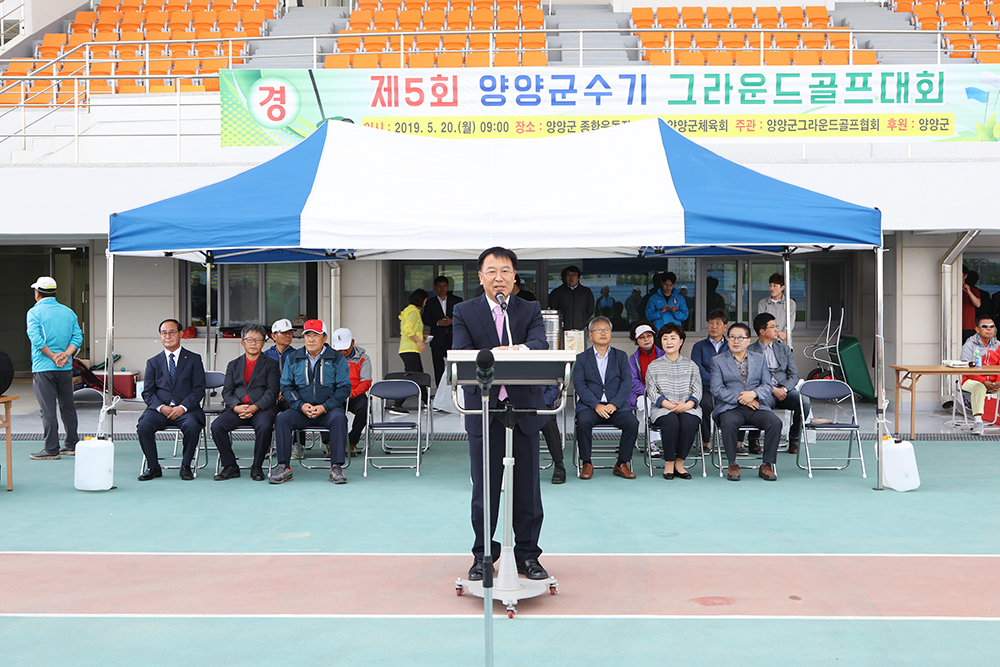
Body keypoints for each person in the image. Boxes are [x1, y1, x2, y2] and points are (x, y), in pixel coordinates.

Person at [452, 246, 550, 583]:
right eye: (492, 271)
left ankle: (528, 555)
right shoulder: (464, 311)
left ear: (514, 277)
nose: (499, 278)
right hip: (484, 409)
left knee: (527, 489)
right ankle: (483, 555)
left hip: (523, 410)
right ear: (481, 277)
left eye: (505, 271)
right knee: (485, 489)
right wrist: (493, 353)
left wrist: (517, 349)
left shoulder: (529, 309)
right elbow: (461, 352)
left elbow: (540, 344)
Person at [269, 320, 352, 485]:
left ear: (325, 338)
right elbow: (286, 386)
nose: (311, 339)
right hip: (302, 410)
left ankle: (336, 466)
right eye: (308, 335)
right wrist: (300, 405)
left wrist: (325, 407)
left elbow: (344, 388)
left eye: (316, 335)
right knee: (282, 418)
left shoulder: (336, 358)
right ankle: (283, 466)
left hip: (328, 410)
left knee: (339, 418)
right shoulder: (293, 358)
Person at [710, 322, 782, 482]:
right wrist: (742, 398)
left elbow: (767, 385)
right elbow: (716, 389)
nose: (736, 341)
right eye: (732, 337)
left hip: (756, 406)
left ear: (748, 340)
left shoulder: (760, 359)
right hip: (730, 407)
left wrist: (753, 394)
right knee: (729, 423)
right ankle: (732, 463)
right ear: (728, 339)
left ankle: (767, 464)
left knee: (775, 422)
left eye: (740, 337)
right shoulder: (717, 361)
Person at [137, 318, 206, 481]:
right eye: (164, 333)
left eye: (172, 332)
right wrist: (161, 407)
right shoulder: (153, 362)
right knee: (144, 426)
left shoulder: (194, 359)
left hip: (186, 410)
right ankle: (153, 467)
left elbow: (198, 389)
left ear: (181, 334)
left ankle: (186, 466)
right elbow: (148, 392)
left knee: (192, 426)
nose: (168, 336)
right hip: (160, 410)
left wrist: (182, 407)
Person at [210, 324, 280, 481]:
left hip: (261, 409)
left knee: (265, 426)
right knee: (217, 426)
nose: (253, 343)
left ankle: (257, 466)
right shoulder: (233, 364)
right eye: (249, 339)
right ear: (243, 342)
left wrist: (255, 407)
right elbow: (227, 391)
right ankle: (230, 466)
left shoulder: (271, 364)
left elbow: (272, 391)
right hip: (237, 408)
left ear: (263, 343)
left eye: (257, 340)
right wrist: (236, 407)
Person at [574, 316, 639, 480]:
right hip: (590, 406)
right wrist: (596, 404)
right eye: (598, 330)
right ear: (590, 334)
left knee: (632, 423)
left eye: (607, 330)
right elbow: (579, 385)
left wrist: (615, 404)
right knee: (583, 422)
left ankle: (621, 463)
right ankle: (587, 463)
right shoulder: (581, 358)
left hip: (615, 407)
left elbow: (627, 383)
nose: (603, 333)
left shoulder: (621, 356)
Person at [25, 277, 82, 460]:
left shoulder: (34, 312)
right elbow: (77, 337)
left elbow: (36, 339)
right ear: (55, 292)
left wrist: (52, 356)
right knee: (68, 406)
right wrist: (65, 355)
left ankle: (51, 449)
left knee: (48, 409)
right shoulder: (68, 312)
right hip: (65, 367)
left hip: (43, 367)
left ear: (37, 294)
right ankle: (72, 444)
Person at [645, 323, 702, 480]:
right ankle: (669, 463)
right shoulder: (654, 366)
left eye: (673, 338)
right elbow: (652, 392)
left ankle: (680, 463)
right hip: (662, 408)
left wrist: (687, 405)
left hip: (688, 407)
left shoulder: (691, 365)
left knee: (689, 422)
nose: (668, 342)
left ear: (681, 341)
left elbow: (697, 390)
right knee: (671, 422)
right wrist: (669, 405)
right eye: (665, 338)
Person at [748, 312, 810, 455]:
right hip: (764, 391)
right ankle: (754, 438)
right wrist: (772, 389)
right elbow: (752, 378)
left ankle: (794, 437)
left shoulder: (784, 349)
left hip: (785, 390)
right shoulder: (750, 351)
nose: (777, 330)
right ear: (762, 331)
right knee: (762, 402)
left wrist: (784, 388)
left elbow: (794, 375)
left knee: (804, 402)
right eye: (773, 327)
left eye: (776, 326)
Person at [691, 309, 729, 455]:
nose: (714, 326)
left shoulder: (731, 346)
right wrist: (715, 381)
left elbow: (734, 367)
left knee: (736, 403)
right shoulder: (699, 346)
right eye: (711, 323)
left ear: (725, 327)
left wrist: (723, 383)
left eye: (718, 323)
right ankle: (706, 441)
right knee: (704, 405)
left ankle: (736, 442)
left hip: (727, 387)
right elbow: (697, 369)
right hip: (705, 387)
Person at [331, 327, 372, 456]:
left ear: (352, 342)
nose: (343, 352)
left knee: (364, 408)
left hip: (355, 394)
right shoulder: (329, 358)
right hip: (336, 394)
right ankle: (330, 443)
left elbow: (366, 381)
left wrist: (352, 393)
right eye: (339, 349)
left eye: (345, 348)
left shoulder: (363, 359)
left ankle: (351, 441)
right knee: (324, 407)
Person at [960, 315, 1000, 435]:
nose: (989, 329)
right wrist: (984, 381)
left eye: (992, 326)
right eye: (985, 326)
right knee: (979, 387)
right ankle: (978, 422)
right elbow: (966, 367)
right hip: (970, 380)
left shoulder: (998, 344)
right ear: (977, 329)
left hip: (994, 382)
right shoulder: (969, 344)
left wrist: (998, 381)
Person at [422, 275, 462, 388]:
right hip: (437, 339)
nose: (442, 288)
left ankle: (456, 390)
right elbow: (425, 318)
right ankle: (440, 391)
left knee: (455, 366)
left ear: (448, 287)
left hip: (453, 339)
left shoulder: (457, 301)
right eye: (439, 286)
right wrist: (437, 322)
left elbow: (464, 317)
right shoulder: (430, 302)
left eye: (444, 286)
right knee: (438, 367)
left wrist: (452, 321)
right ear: (435, 288)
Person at [392, 289, 428, 415]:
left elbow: (410, 329)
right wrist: (419, 341)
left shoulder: (410, 310)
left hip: (408, 349)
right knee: (412, 377)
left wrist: (422, 336)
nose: (425, 302)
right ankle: (397, 404)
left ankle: (427, 401)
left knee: (419, 375)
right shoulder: (413, 311)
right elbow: (407, 329)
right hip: (410, 349)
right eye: (425, 300)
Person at [627, 321, 663, 411]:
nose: (646, 339)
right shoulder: (633, 359)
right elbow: (633, 381)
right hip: (643, 393)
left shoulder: (664, 355)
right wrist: (649, 392)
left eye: (649, 336)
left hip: (663, 392)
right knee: (645, 404)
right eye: (642, 337)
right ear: (636, 340)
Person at [547, 265, 594, 331]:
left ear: (579, 278)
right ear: (565, 277)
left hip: (581, 328)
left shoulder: (586, 292)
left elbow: (590, 309)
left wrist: (582, 319)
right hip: (562, 329)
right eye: (569, 275)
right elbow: (553, 309)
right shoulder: (557, 292)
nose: (571, 277)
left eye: (574, 275)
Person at [757, 272, 796, 344]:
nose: (771, 288)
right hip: (767, 341)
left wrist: (784, 333)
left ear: (782, 287)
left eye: (775, 286)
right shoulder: (763, 303)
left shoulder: (790, 303)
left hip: (784, 342)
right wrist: (778, 333)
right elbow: (762, 323)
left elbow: (790, 323)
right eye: (770, 285)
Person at [963, 266, 983, 342]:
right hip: (954, 326)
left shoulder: (973, 291)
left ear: (965, 276)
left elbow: (978, 304)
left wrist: (969, 292)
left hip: (969, 326)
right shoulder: (951, 290)